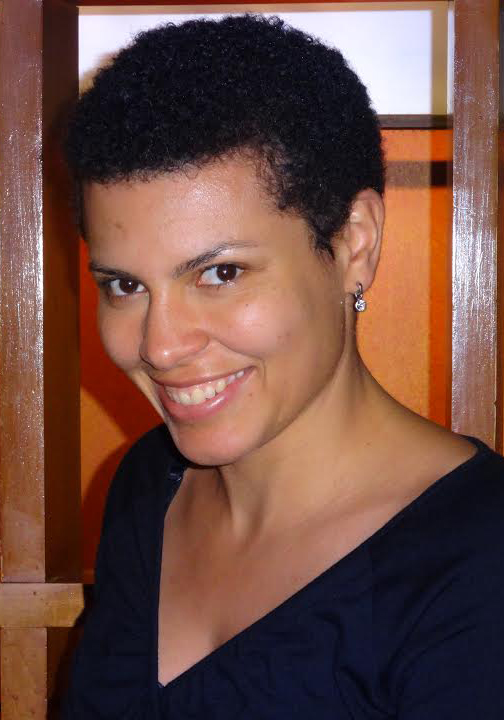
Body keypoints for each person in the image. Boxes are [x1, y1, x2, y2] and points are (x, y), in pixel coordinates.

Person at [63, 14, 504, 719]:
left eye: (221, 272)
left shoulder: (479, 564)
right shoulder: (148, 486)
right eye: (124, 285)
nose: (160, 346)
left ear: (354, 244)